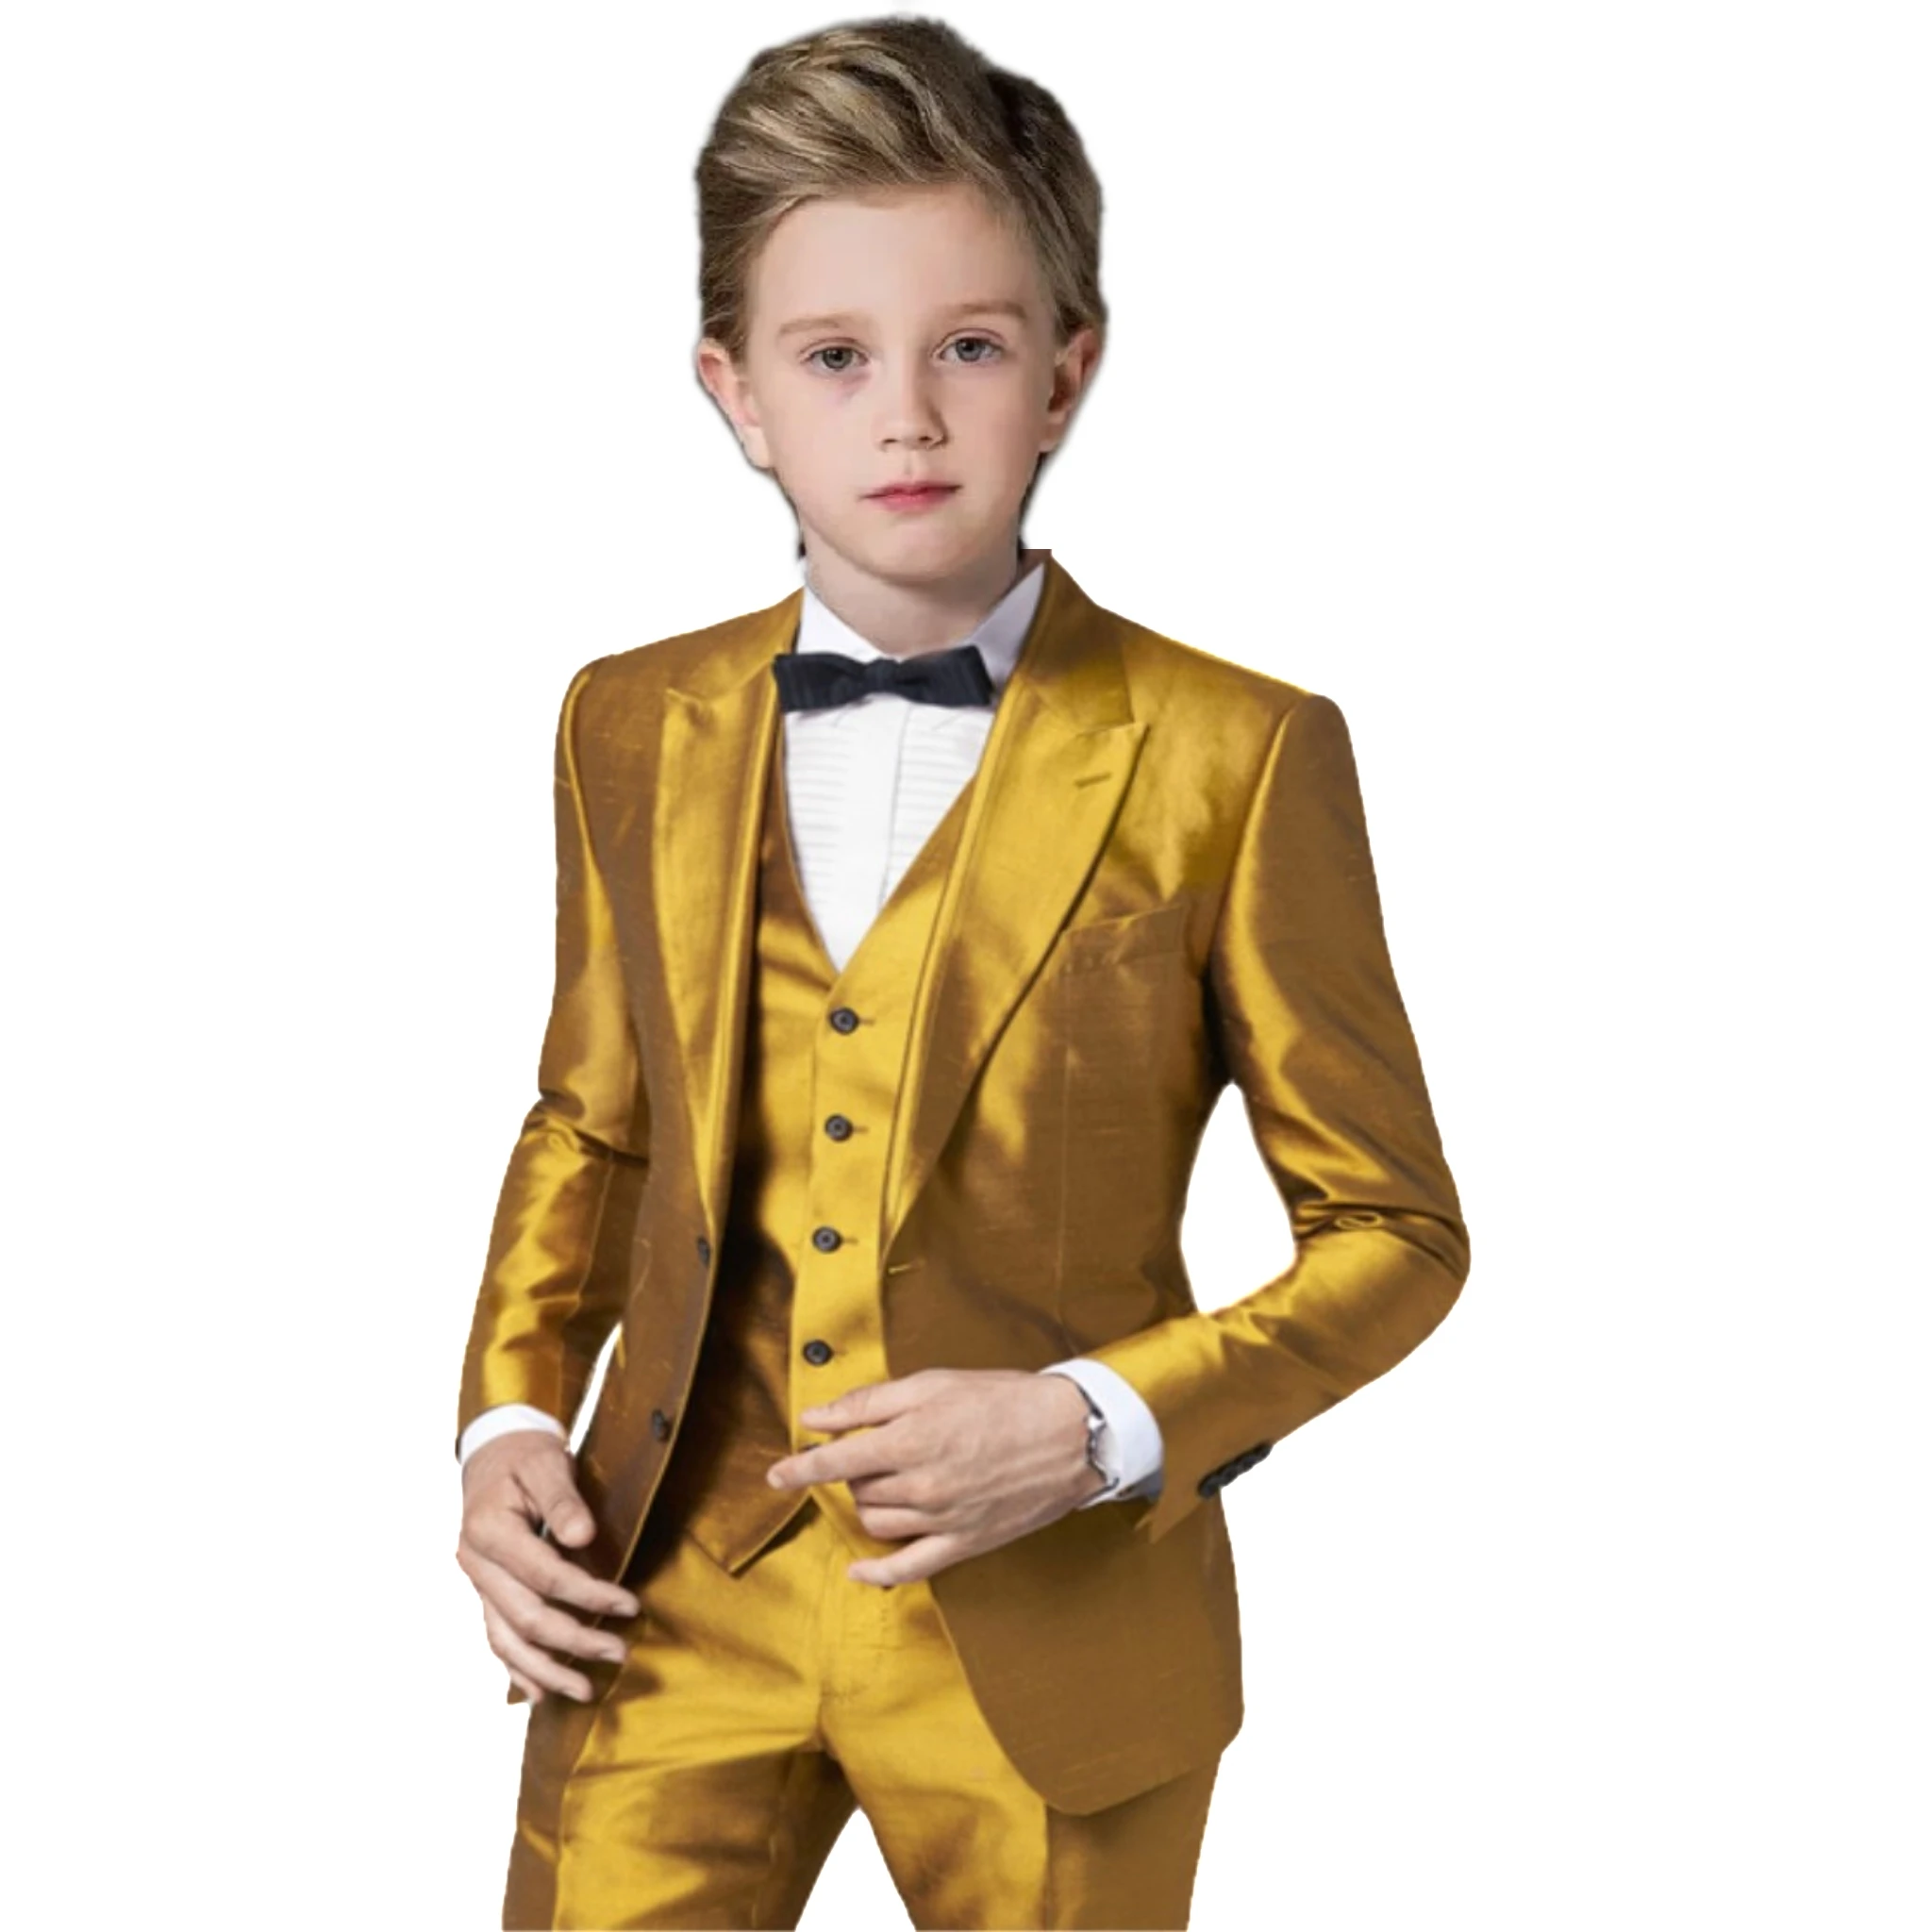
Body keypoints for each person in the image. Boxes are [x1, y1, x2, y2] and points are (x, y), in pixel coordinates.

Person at [453, 16, 1470, 1929]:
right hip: (665, 1595)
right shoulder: (625, 718)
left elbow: (1395, 1233)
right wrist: (507, 1424)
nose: (905, 417)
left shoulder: (1237, 752)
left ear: (1067, 371)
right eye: (834, 356)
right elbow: (591, 1127)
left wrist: (1088, 1427)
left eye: (971, 349)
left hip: (1057, 1627)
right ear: (735, 390)